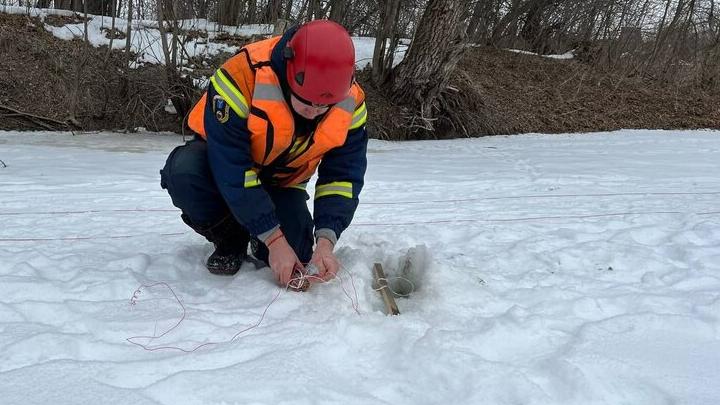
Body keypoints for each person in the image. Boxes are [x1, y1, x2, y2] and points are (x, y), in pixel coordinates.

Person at [160, 20, 368, 289]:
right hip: (222, 170)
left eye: (325, 106)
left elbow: (342, 177)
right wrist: (274, 239)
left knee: (299, 251)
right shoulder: (240, 76)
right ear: (290, 73)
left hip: (282, 182)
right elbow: (232, 169)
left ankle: (259, 238)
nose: (316, 111)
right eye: (307, 103)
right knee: (184, 172)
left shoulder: (352, 101)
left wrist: (326, 241)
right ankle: (230, 237)